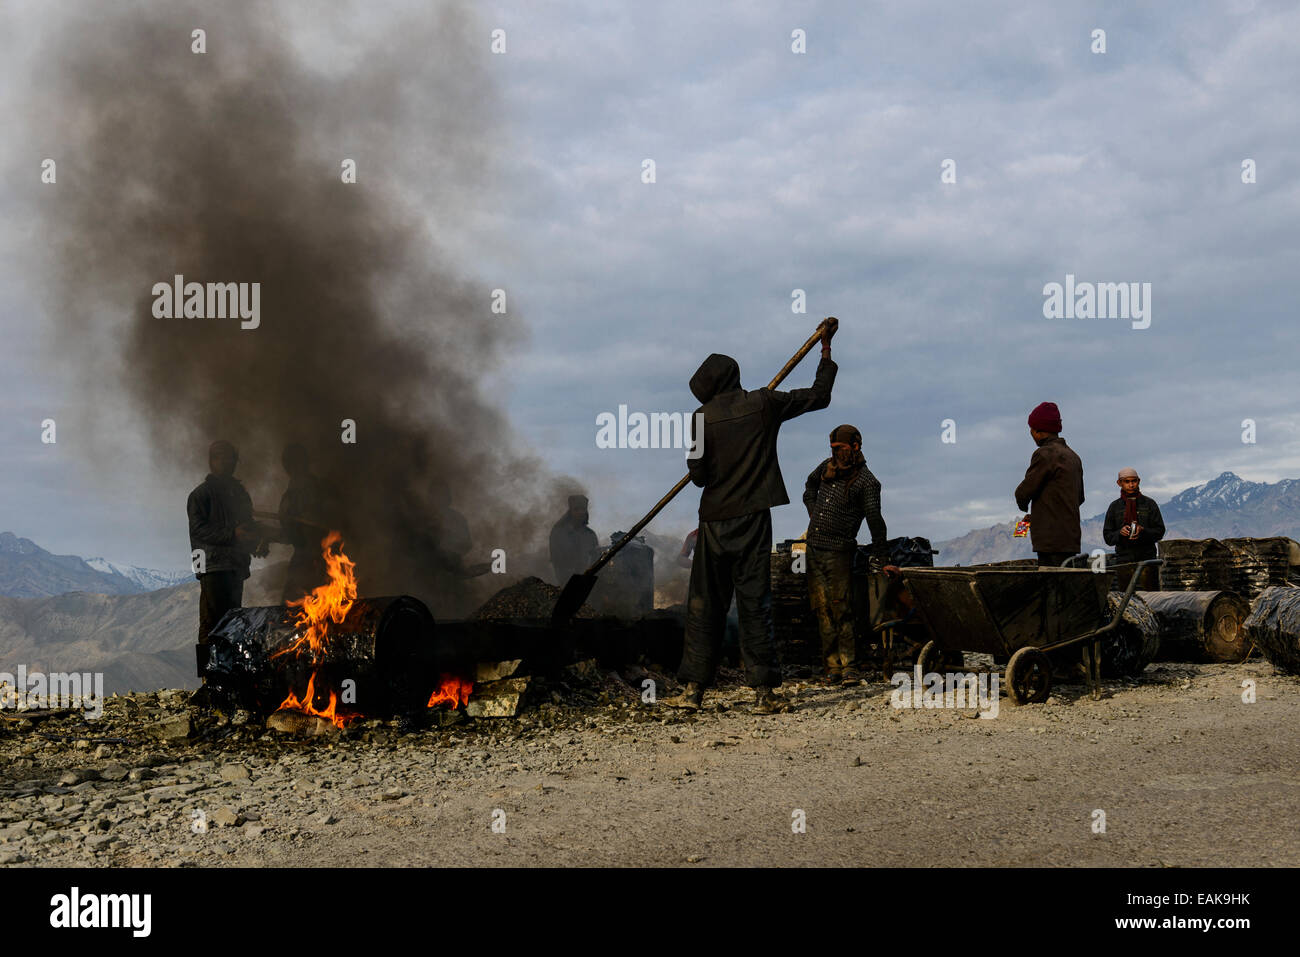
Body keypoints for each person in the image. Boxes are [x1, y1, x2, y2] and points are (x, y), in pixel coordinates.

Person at [665, 318, 839, 714]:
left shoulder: (699, 420)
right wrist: (825, 349)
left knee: (704, 603)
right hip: (753, 520)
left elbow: (698, 478)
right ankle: (763, 693)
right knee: (754, 602)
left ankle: (693, 691)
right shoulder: (764, 403)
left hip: (714, 522)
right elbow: (820, 396)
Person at [802, 424, 887, 684]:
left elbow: (875, 520)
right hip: (814, 549)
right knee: (821, 609)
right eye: (834, 448)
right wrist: (815, 513)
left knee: (842, 608)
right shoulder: (826, 468)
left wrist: (881, 555)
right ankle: (832, 667)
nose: (837, 453)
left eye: (841, 448)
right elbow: (809, 487)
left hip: (839, 551)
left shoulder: (866, 482)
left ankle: (850, 666)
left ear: (856, 447)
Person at [188, 440, 268, 679]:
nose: (227, 462)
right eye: (221, 457)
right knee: (211, 623)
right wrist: (232, 534)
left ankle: (230, 674)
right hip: (212, 566)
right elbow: (199, 530)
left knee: (233, 620)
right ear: (212, 461)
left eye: (231, 458)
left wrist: (257, 543)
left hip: (235, 566)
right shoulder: (201, 495)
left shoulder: (240, 494)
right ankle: (208, 679)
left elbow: (248, 527)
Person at [1013, 402, 1085, 568]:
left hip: (1050, 540)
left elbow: (1024, 492)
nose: (1030, 434)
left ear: (1038, 431)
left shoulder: (1045, 454)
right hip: (1070, 538)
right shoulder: (1073, 457)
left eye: (1031, 429)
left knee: (1052, 586)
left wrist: (1026, 507)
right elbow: (1079, 498)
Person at [276, 443, 338, 603]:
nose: (293, 467)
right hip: (306, 556)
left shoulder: (315, 488)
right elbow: (289, 533)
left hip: (313, 558)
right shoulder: (291, 493)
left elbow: (320, 525)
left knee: (295, 607)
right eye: (290, 463)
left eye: (297, 462)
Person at [1102, 467, 1165, 590]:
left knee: (1151, 597)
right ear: (1119, 483)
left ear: (1139, 481)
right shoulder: (1114, 507)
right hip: (1124, 560)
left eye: (1134, 481)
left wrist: (1143, 531)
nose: (1131, 485)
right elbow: (1108, 537)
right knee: (1127, 599)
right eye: (1127, 481)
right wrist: (1120, 533)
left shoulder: (1149, 504)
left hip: (1147, 559)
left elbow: (1160, 531)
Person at [550, 495, 599, 584]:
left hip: (586, 580)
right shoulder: (559, 532)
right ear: (571, 511)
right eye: (576, 509)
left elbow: (595, 559)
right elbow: (556, 560)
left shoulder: (590, 535)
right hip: (565, 581)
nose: (580, 512)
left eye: (583, 509)